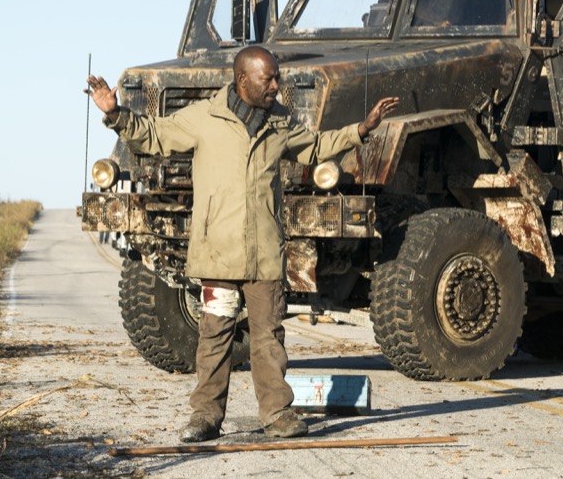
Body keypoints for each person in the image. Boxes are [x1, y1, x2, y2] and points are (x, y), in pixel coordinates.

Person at [85, 45, 400, 443]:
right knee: (214, 334)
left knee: (268, 336)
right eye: (268, 78)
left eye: (276, 77)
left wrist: (361, 129)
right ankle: (205, 417)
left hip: (265, 253)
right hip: (218, 252)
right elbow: (154, 137)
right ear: (242, 80)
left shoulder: (279, 122)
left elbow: (316, 147)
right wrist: (115, 114)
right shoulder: (204, 118)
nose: (276, 85)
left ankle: (278, 415)